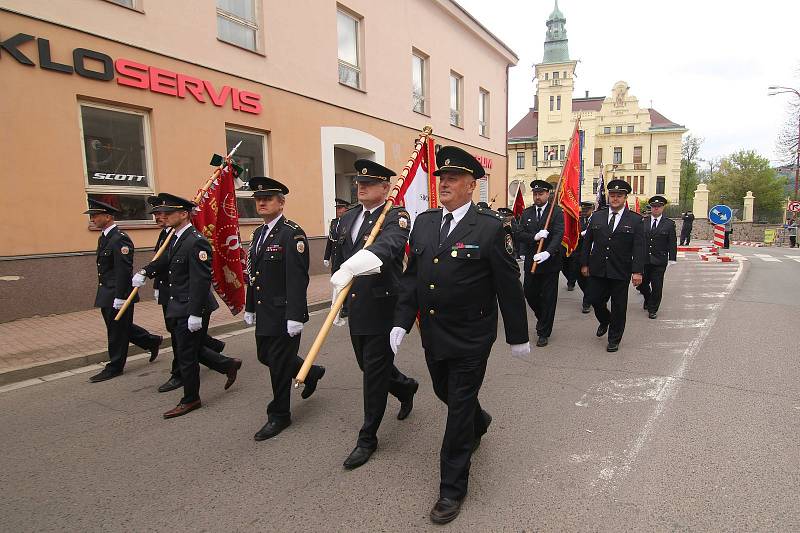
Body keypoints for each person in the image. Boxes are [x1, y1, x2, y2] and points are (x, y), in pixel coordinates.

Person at [391, 146, 530, 524]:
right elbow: (411, 280)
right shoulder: (424, 223)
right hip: (434, 333)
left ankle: (452, 489)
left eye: (452, 178)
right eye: (442, 178)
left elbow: (508, 286)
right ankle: (479, 420)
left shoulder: (488, 228)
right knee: (445, 392)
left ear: (471, 185)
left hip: (472, 336)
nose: (445, 183)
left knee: (455, 416)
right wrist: (401, 321)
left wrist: (517, 335)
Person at [329, 159, 419, 470]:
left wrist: (352, 267)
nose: (362, 187)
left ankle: (368, 438)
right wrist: (338, 299)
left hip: (382, 305)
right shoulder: (349, 216)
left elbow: (389, 248)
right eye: (358, 182)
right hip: (356, 304)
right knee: (368, 368)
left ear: (386, 187)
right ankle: (405, 386)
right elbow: (339, 254)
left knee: (373, 376)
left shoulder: (396, 215)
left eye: (370, 182)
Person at [243, 177, 326, 440]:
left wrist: (295, 315)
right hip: (264, 310)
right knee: (264, 356)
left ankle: (279, 414)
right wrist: (249, 306)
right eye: (258, 199)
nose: (262, 203)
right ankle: (311, 371)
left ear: (281, 203)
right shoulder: (258, 233)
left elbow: (297, 278)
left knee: (278, 366)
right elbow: (253, 274)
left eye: (268, 198)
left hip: (283, 312)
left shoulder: (292, 233)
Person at [133, 195, 240, 394]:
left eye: (168, 213)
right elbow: (164, 261)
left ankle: (189, 393)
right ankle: (226, 365)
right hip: (178, 301)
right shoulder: (175, 236)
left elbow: (200, 281)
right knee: (189, 347)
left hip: (192, 303)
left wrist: (195, 313)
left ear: (183, 214)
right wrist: (145, 272)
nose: (162, 216)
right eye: (160, 213)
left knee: (187, 349)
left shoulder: (195, 241)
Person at [84, 198, 162, 383]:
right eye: (92, 216)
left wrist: (120, 296)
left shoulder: (120, 238)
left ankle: (114, 366)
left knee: (116, 331)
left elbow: (123, 270)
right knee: (118, 327)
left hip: (117, 293)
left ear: (108, 216)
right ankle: (150, 341)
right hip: (106, 291)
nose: (93, 219)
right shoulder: (105, 237)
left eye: (95, 216)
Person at [580, 179, 644, 352]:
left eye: (619, 196)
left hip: (620, 270)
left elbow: (639, 247)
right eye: (613, 195)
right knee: (594, 299)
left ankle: (614, 338)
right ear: (609, 196)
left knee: (619, 306)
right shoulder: (597, 216)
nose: (615, 198)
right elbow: (587, 242)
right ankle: (605, 320)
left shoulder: (635, 220)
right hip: (598, 268)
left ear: (625, 198)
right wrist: (584, 263)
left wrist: (637, 271)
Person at [516, 180, 564, 347]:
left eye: (541, 193)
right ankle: (542, 317)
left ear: (548, 194)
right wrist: (534, 237)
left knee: (549, 298)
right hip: (532, 261)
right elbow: (519, 233)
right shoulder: (527, 212)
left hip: (550, 262)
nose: (537, 196)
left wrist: (548, 252)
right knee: (529, 293)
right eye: (535, 194)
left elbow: (558, 234)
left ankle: (544, 332)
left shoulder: (556, 212)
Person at [637, 195, 677, 319]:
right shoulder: (643, 221)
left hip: (659, 260)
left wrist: (672, 258)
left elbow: (672, 242)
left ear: (662, 208)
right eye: (654, 206)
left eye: (658, 207)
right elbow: (638, 241)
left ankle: (653, 309)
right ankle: (648, 298)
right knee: (642, 285)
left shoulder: (669, 224)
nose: (656, 209)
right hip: (644, 259)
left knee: (657, 285)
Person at [323, 198, 350, 272]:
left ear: (346, 209)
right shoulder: (334, 223)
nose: (338, 210)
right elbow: (330, 241)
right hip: (335, 256)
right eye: (337, 208)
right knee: (335, 276)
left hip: (345, 256)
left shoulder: (350, 222)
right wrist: (326, 257)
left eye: (340, 208)